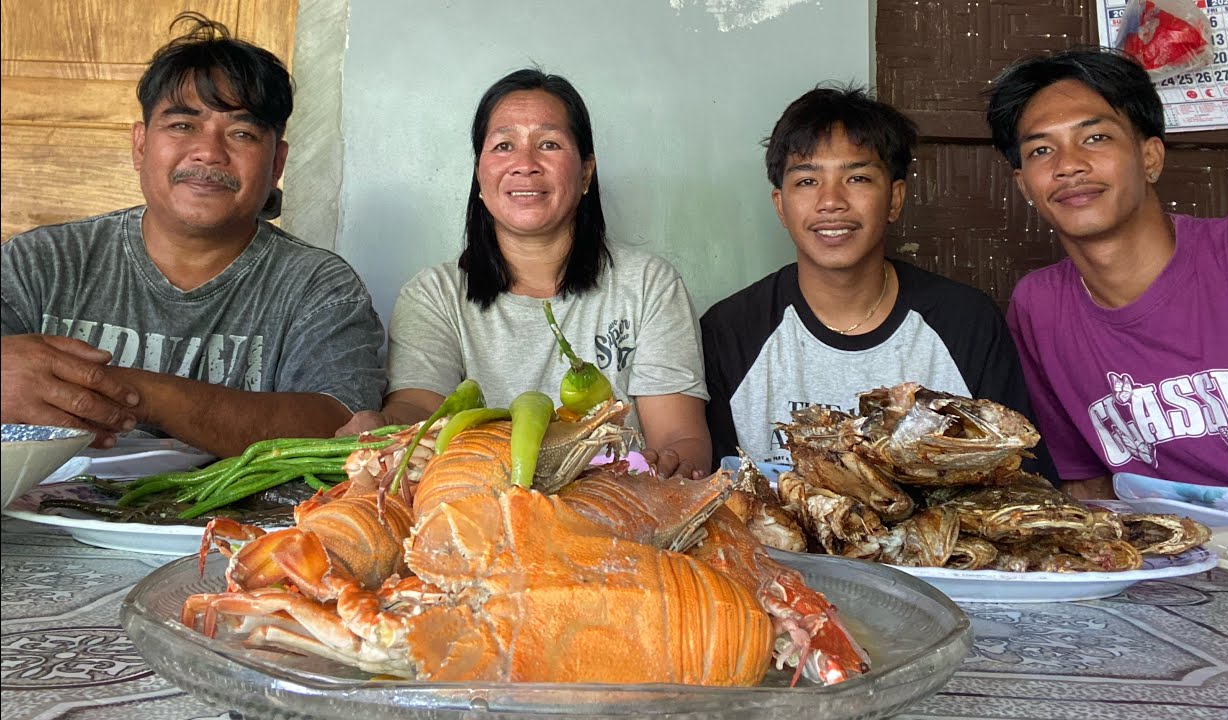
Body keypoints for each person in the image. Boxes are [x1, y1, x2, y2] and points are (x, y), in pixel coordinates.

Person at [0, 13, 386, 459]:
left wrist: (134, 393)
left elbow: (342, 427)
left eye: (242, 133)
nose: (209, 152)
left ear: (277, 163)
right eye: (183, 125)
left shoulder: (318, 286)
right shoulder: (40, 262)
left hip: (246, 528)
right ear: (141, 145)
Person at [337, 69, 711, 478]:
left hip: (618, 514)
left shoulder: (649, 285)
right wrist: (386, 426)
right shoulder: (433, 295)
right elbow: (421, 411)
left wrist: (672, 470)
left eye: (549, 144)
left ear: (586, 172)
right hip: (479, 516)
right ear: (480, 174)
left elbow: (679, 437)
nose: (525, 164)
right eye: (503, 145)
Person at [701, 85, 1053, 478]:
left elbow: (1021, 482)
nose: (831, 201)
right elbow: (717, 497)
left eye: (857, 178)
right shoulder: (731, 331)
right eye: (806, 181)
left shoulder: (965, 322)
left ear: (896, 199)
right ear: (781, 206)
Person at [986, 47, 1228, 496]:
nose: (1068, 166)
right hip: (1163, 558)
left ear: (1150, 158)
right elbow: (1084, 482)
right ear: (1025, 185)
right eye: (1042, 149)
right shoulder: (1040, 307)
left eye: (1095, 138)